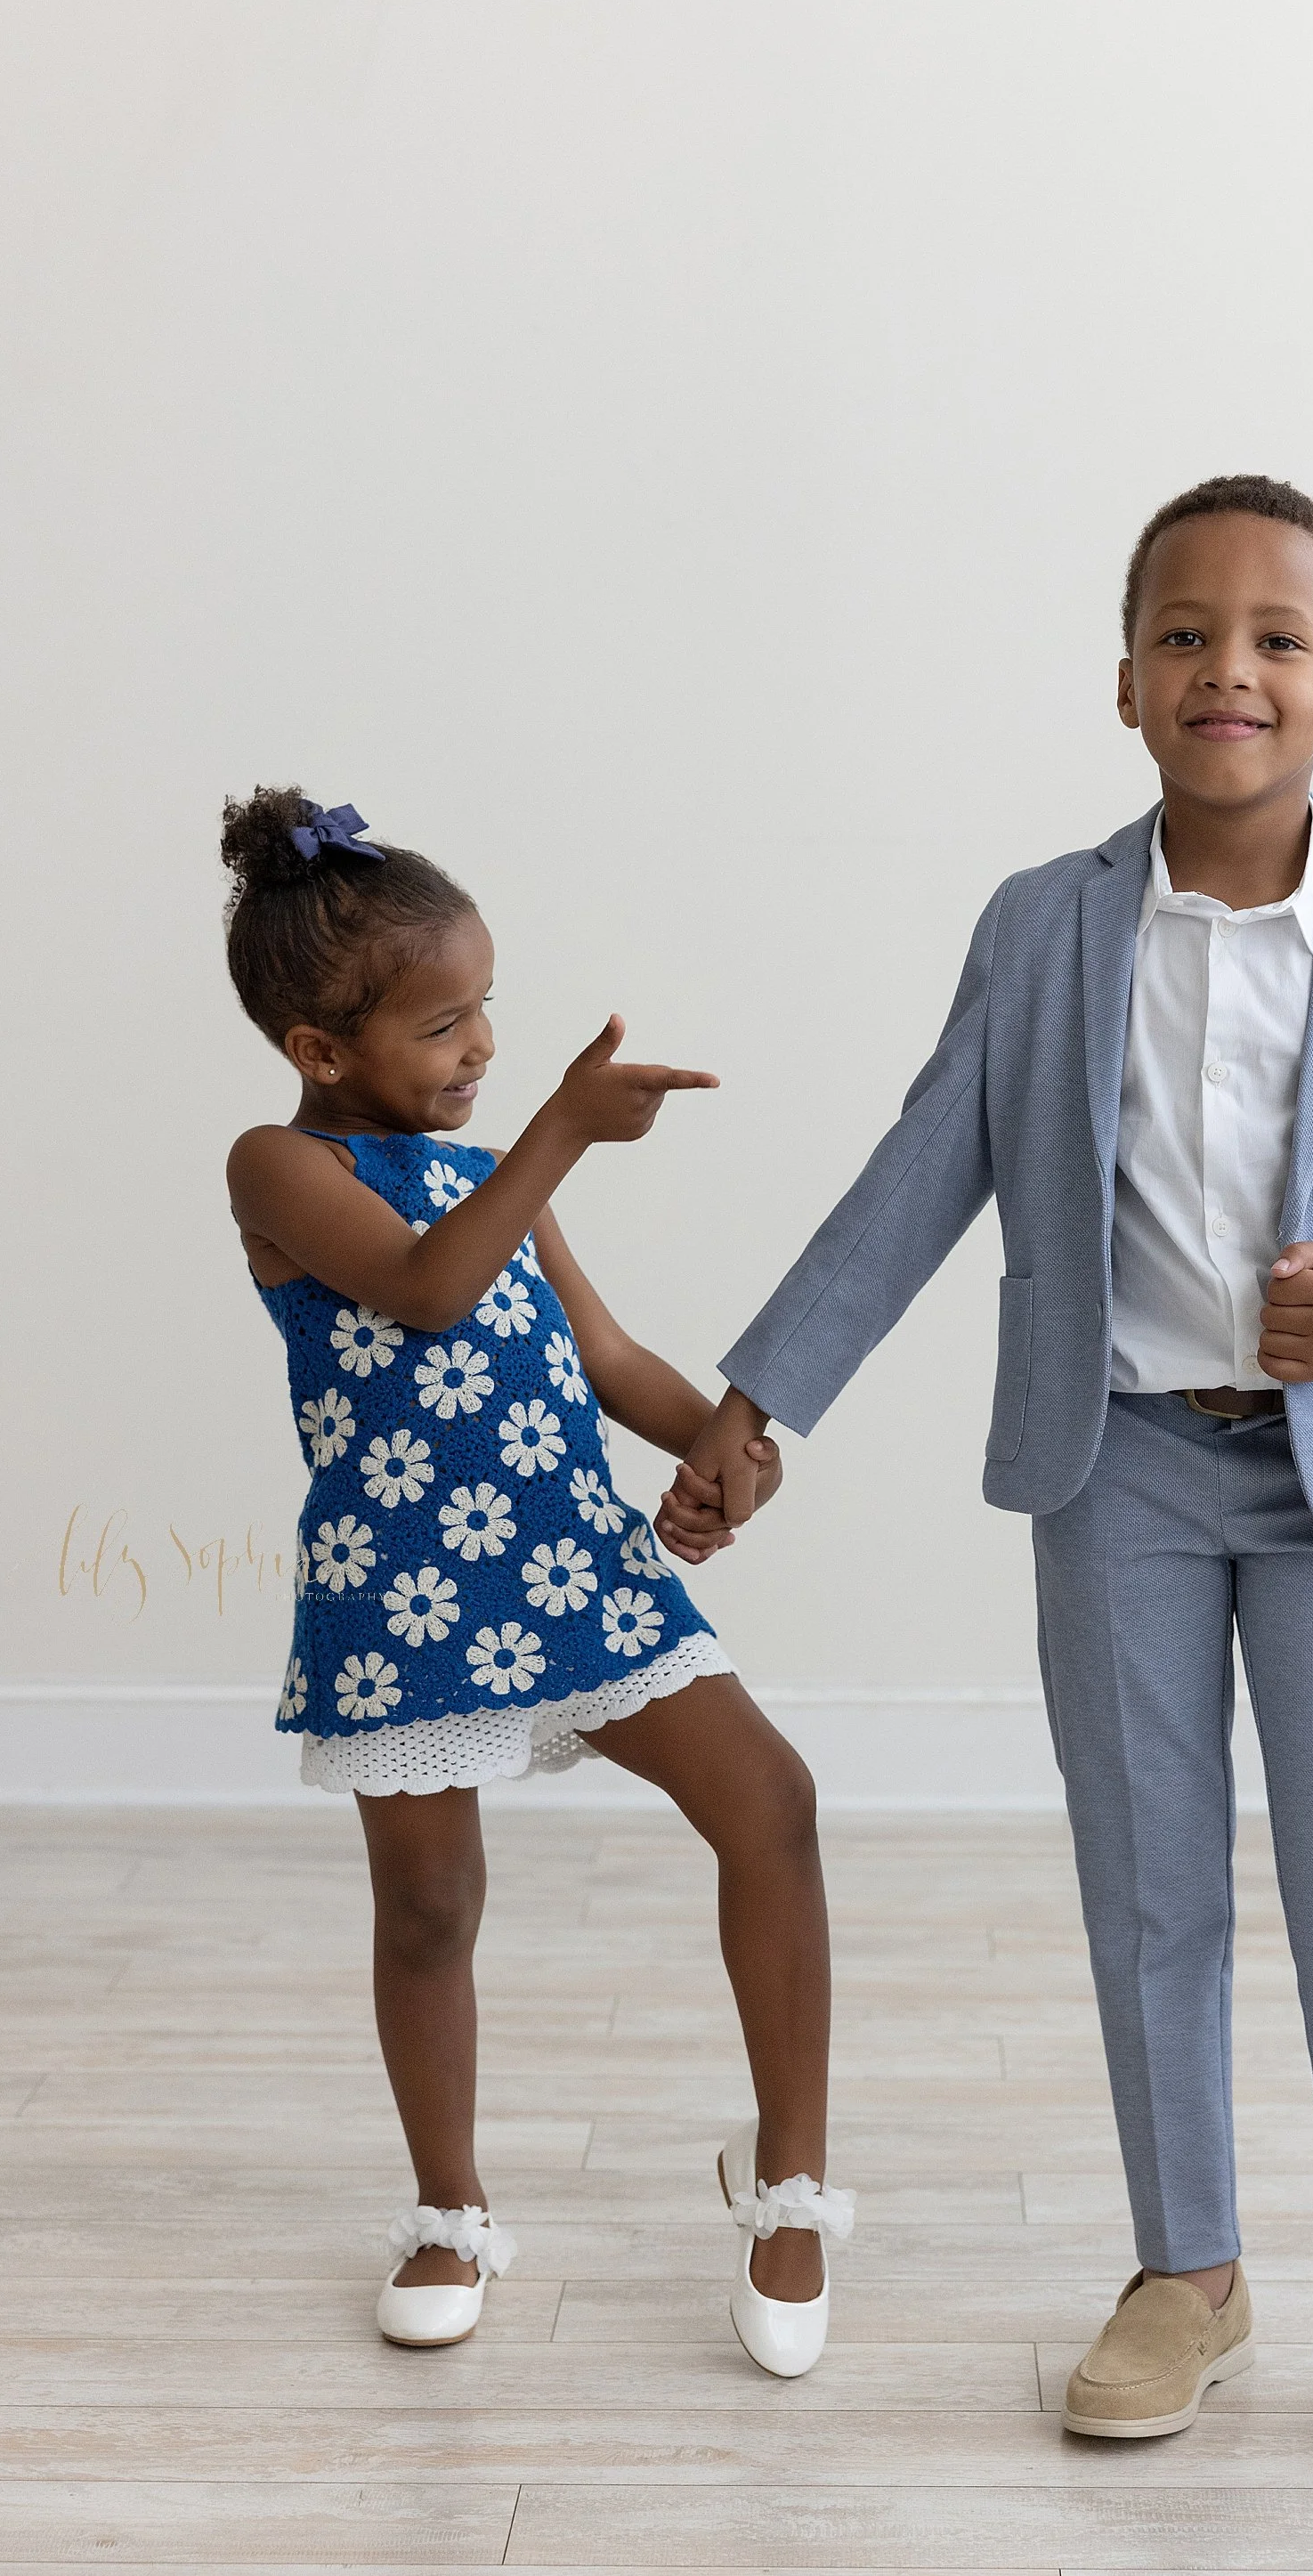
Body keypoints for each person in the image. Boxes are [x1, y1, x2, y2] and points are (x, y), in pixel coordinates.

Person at [658, 476, 1313, 2499]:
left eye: (1270, 638)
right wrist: (756, 1397)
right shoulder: (1046, 924)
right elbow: (919, 1173)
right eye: (1182, 632)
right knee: (1147, 1881)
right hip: (1119, 1468)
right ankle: (1189, 2269)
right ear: (1126, 681)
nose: (1224, 666)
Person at [220, 786, 852, 2372]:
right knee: (430, 1905)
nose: (485, 1046)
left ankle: (789, 2186)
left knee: (768, 1801)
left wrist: (724, 1442)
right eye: (444, 1023)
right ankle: (448, 2207)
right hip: (403, 1594)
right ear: (319, 1051)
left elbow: (605, 1353)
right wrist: (563, 1127)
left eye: (487, 1006)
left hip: (569, 1565)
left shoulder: (496, 1171)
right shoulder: (278, 1174)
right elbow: (431, 1296)